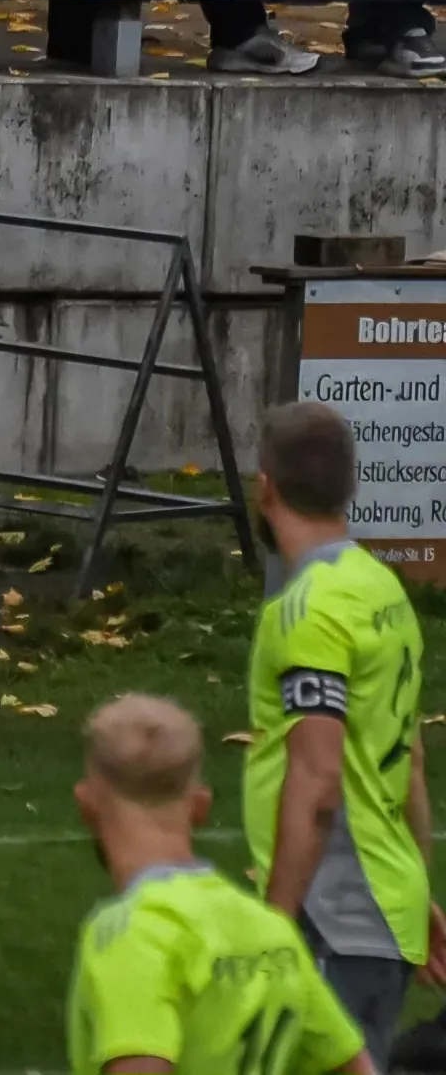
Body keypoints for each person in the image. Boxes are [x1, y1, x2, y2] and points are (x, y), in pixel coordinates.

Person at [245, 401, 446, 1069]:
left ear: (265, 488)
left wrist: (275, 925)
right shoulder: (382, 589)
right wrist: (413, 890)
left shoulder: (311, 609)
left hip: (333, 915)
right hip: (383, 906)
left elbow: (318, 778)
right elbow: (411, 763)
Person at [68, 694, 375, 1075]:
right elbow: (354, 1065)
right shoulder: (270, 928)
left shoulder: (130, 933)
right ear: (201, 806)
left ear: (86, 804)